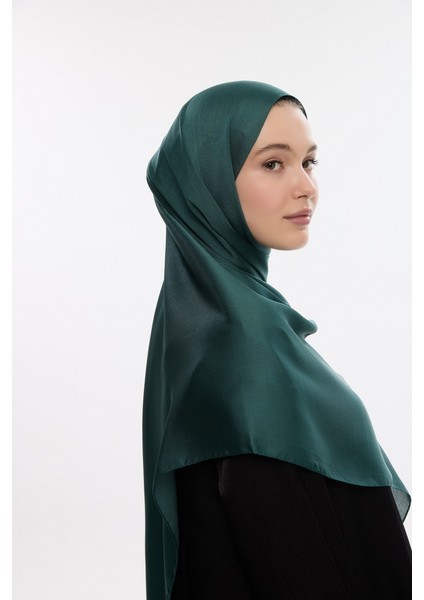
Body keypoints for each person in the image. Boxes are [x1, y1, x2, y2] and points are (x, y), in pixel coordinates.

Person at [142, 81, 411, 600]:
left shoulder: (200, 324)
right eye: (273, 163)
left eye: (309, 162)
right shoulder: (243, 350)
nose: (306, 186)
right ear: (206, 184)